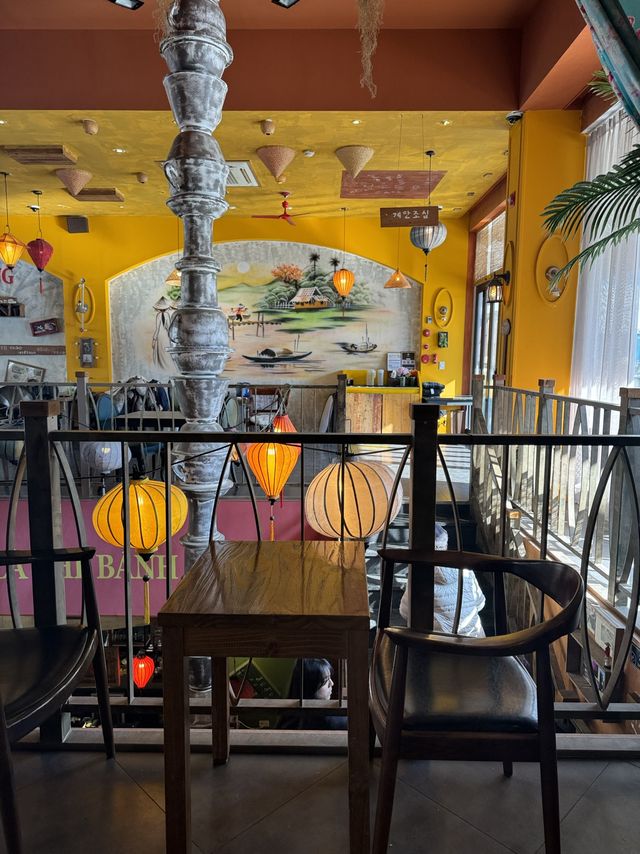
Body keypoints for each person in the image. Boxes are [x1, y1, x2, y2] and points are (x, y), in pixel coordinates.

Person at [399, 521, 486, 637]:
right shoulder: (465, 570)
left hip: (441, 644)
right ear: (445, 546)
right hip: (476, 639)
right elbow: (480, 603)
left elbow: (405, 612)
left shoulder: (418, 576)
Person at [277, 659, 347, 730]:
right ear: (310, 685)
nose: (332, 683)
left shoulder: (286, 718)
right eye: (326, 680)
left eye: (330, 678)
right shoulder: (328, 722)